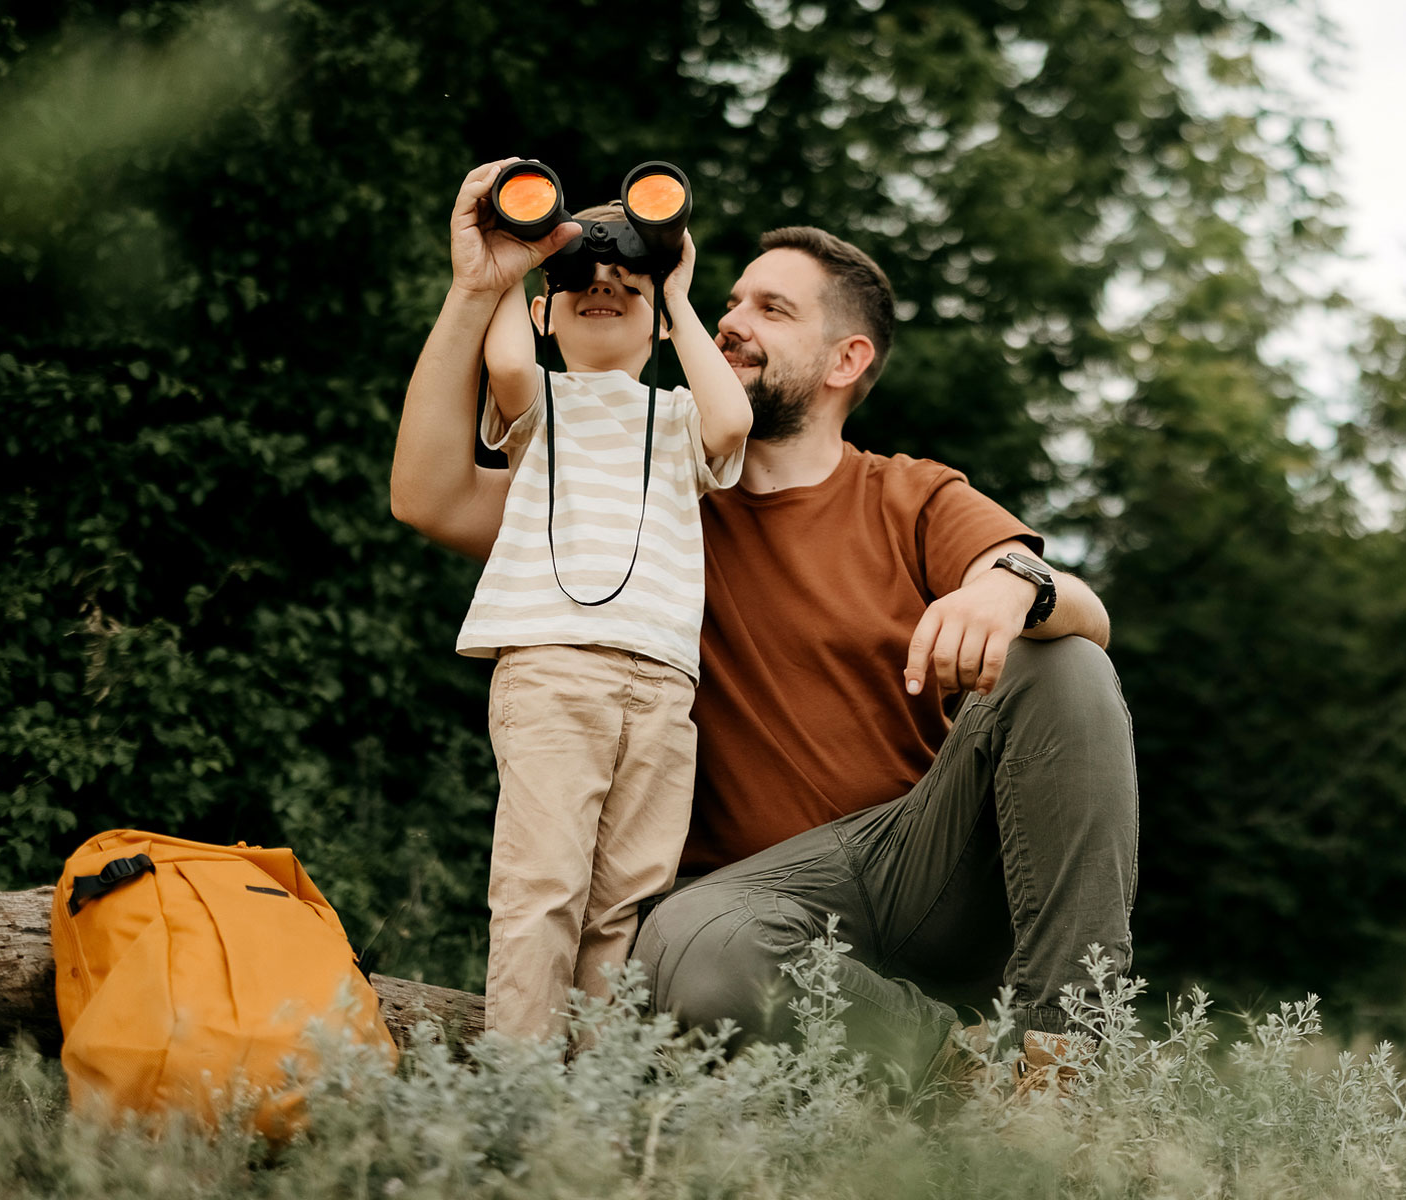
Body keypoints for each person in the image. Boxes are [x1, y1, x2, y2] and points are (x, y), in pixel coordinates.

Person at [391, 159, 1138, 1083]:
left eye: (772, 311)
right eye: (731, 300)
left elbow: (1087, 610)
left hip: (921, 862)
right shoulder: (646, 493)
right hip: (752, 911)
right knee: (691, 949)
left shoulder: (906, 492)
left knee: (1060, 658)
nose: (735, 322)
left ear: (847, 360)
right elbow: (429, 495)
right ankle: (955, 1070)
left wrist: (1006, 586)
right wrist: (479, 288)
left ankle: (1068, 1054)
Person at [424, 160, 752, 1040]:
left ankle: (589, 1100)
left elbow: (733, 423)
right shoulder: (542, 407)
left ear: (656, 320)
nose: (600, 289)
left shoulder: (680, 414)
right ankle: (522, 1094)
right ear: (543, 311)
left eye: (624, 284)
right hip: (553, 670)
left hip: (662, 688)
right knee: (543, 889)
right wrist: (518, 260)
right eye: (576, 283)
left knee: (624, 907)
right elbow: (502, 361)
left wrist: (678, 292)